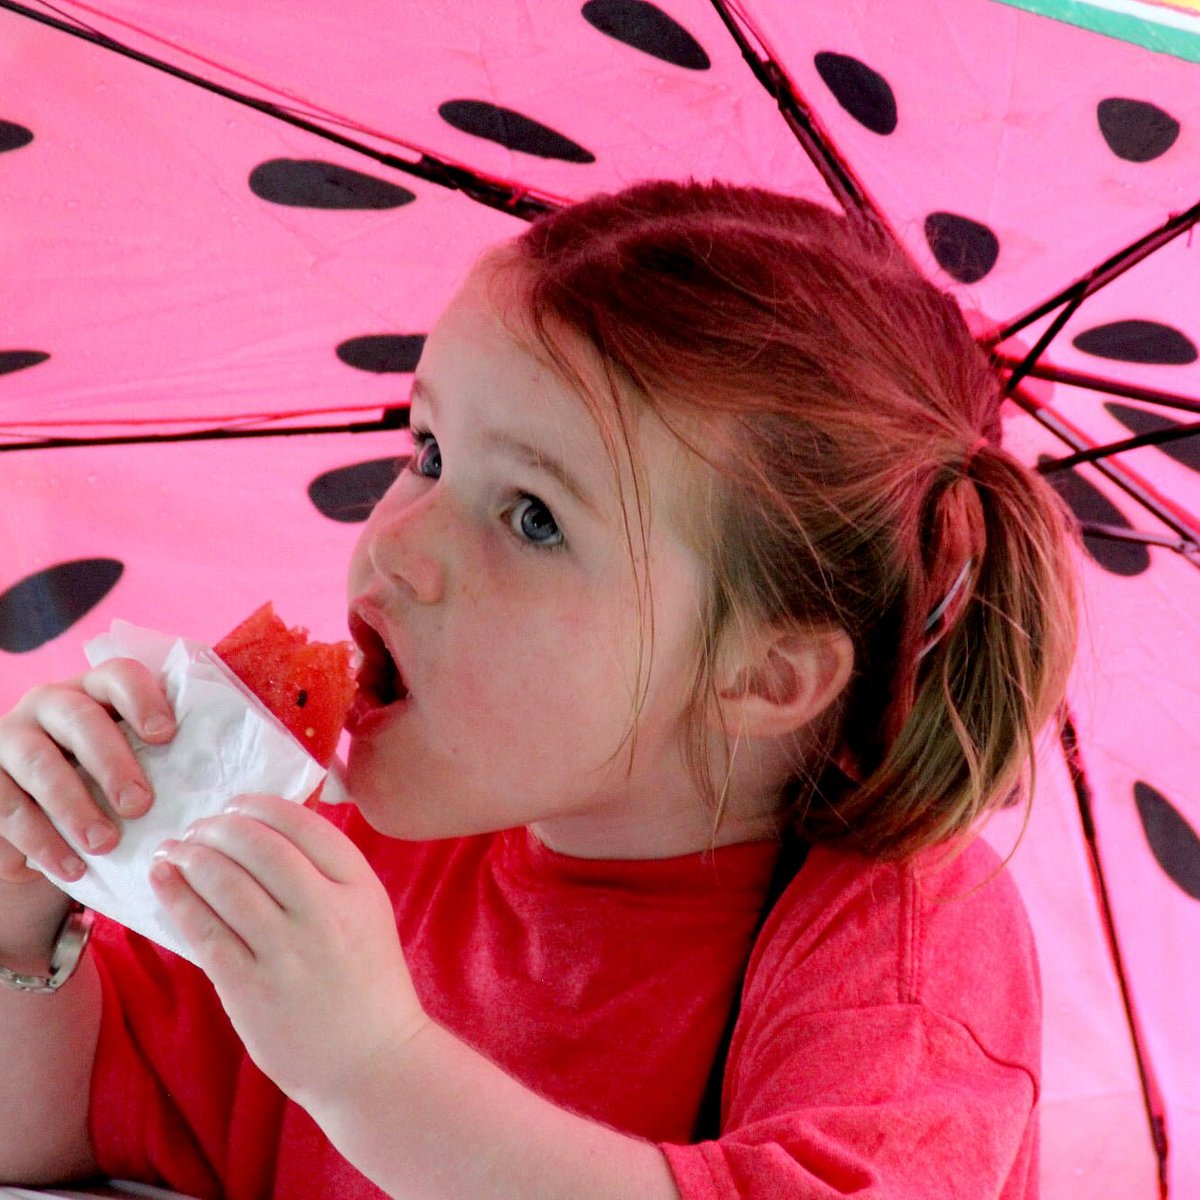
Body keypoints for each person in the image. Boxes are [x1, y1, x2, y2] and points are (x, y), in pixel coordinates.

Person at [0, 179, 1078, 1199]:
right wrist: (22, 915)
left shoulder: (896, 942)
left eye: (533, 517)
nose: (398, 549)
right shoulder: (363, 855)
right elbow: (57, 1118)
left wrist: (375, 1070)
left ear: (765, 672)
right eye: (426, 451)